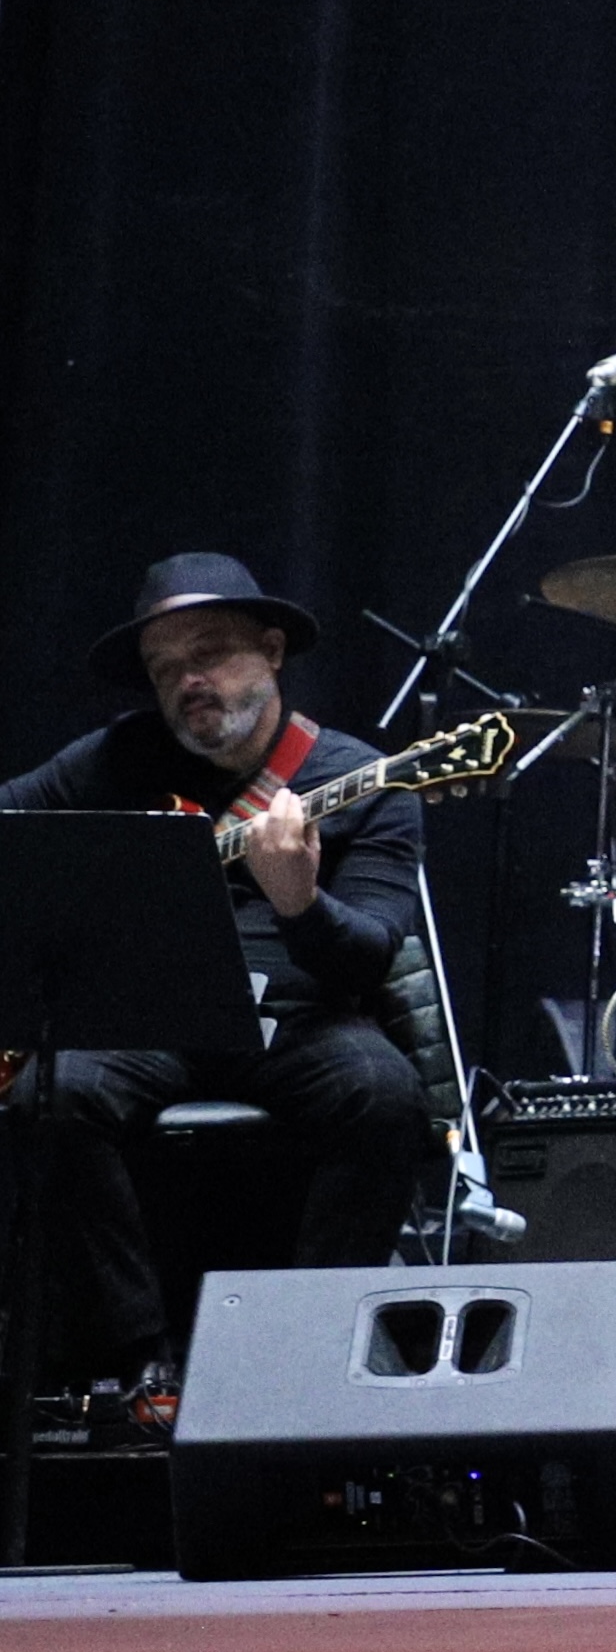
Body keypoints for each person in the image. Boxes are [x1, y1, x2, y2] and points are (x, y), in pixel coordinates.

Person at [0, 556, 430, 1427]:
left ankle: (306, 1352)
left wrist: (300, 902)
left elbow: (369, 956)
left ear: (271, 649)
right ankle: (140, 1359)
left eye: (208, 653)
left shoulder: (364, 776)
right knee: (51, 1094)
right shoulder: (118, 758)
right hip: (149, 1018)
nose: (188, 680)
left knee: (385, 1095)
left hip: (298, 1020)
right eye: (164, 667)